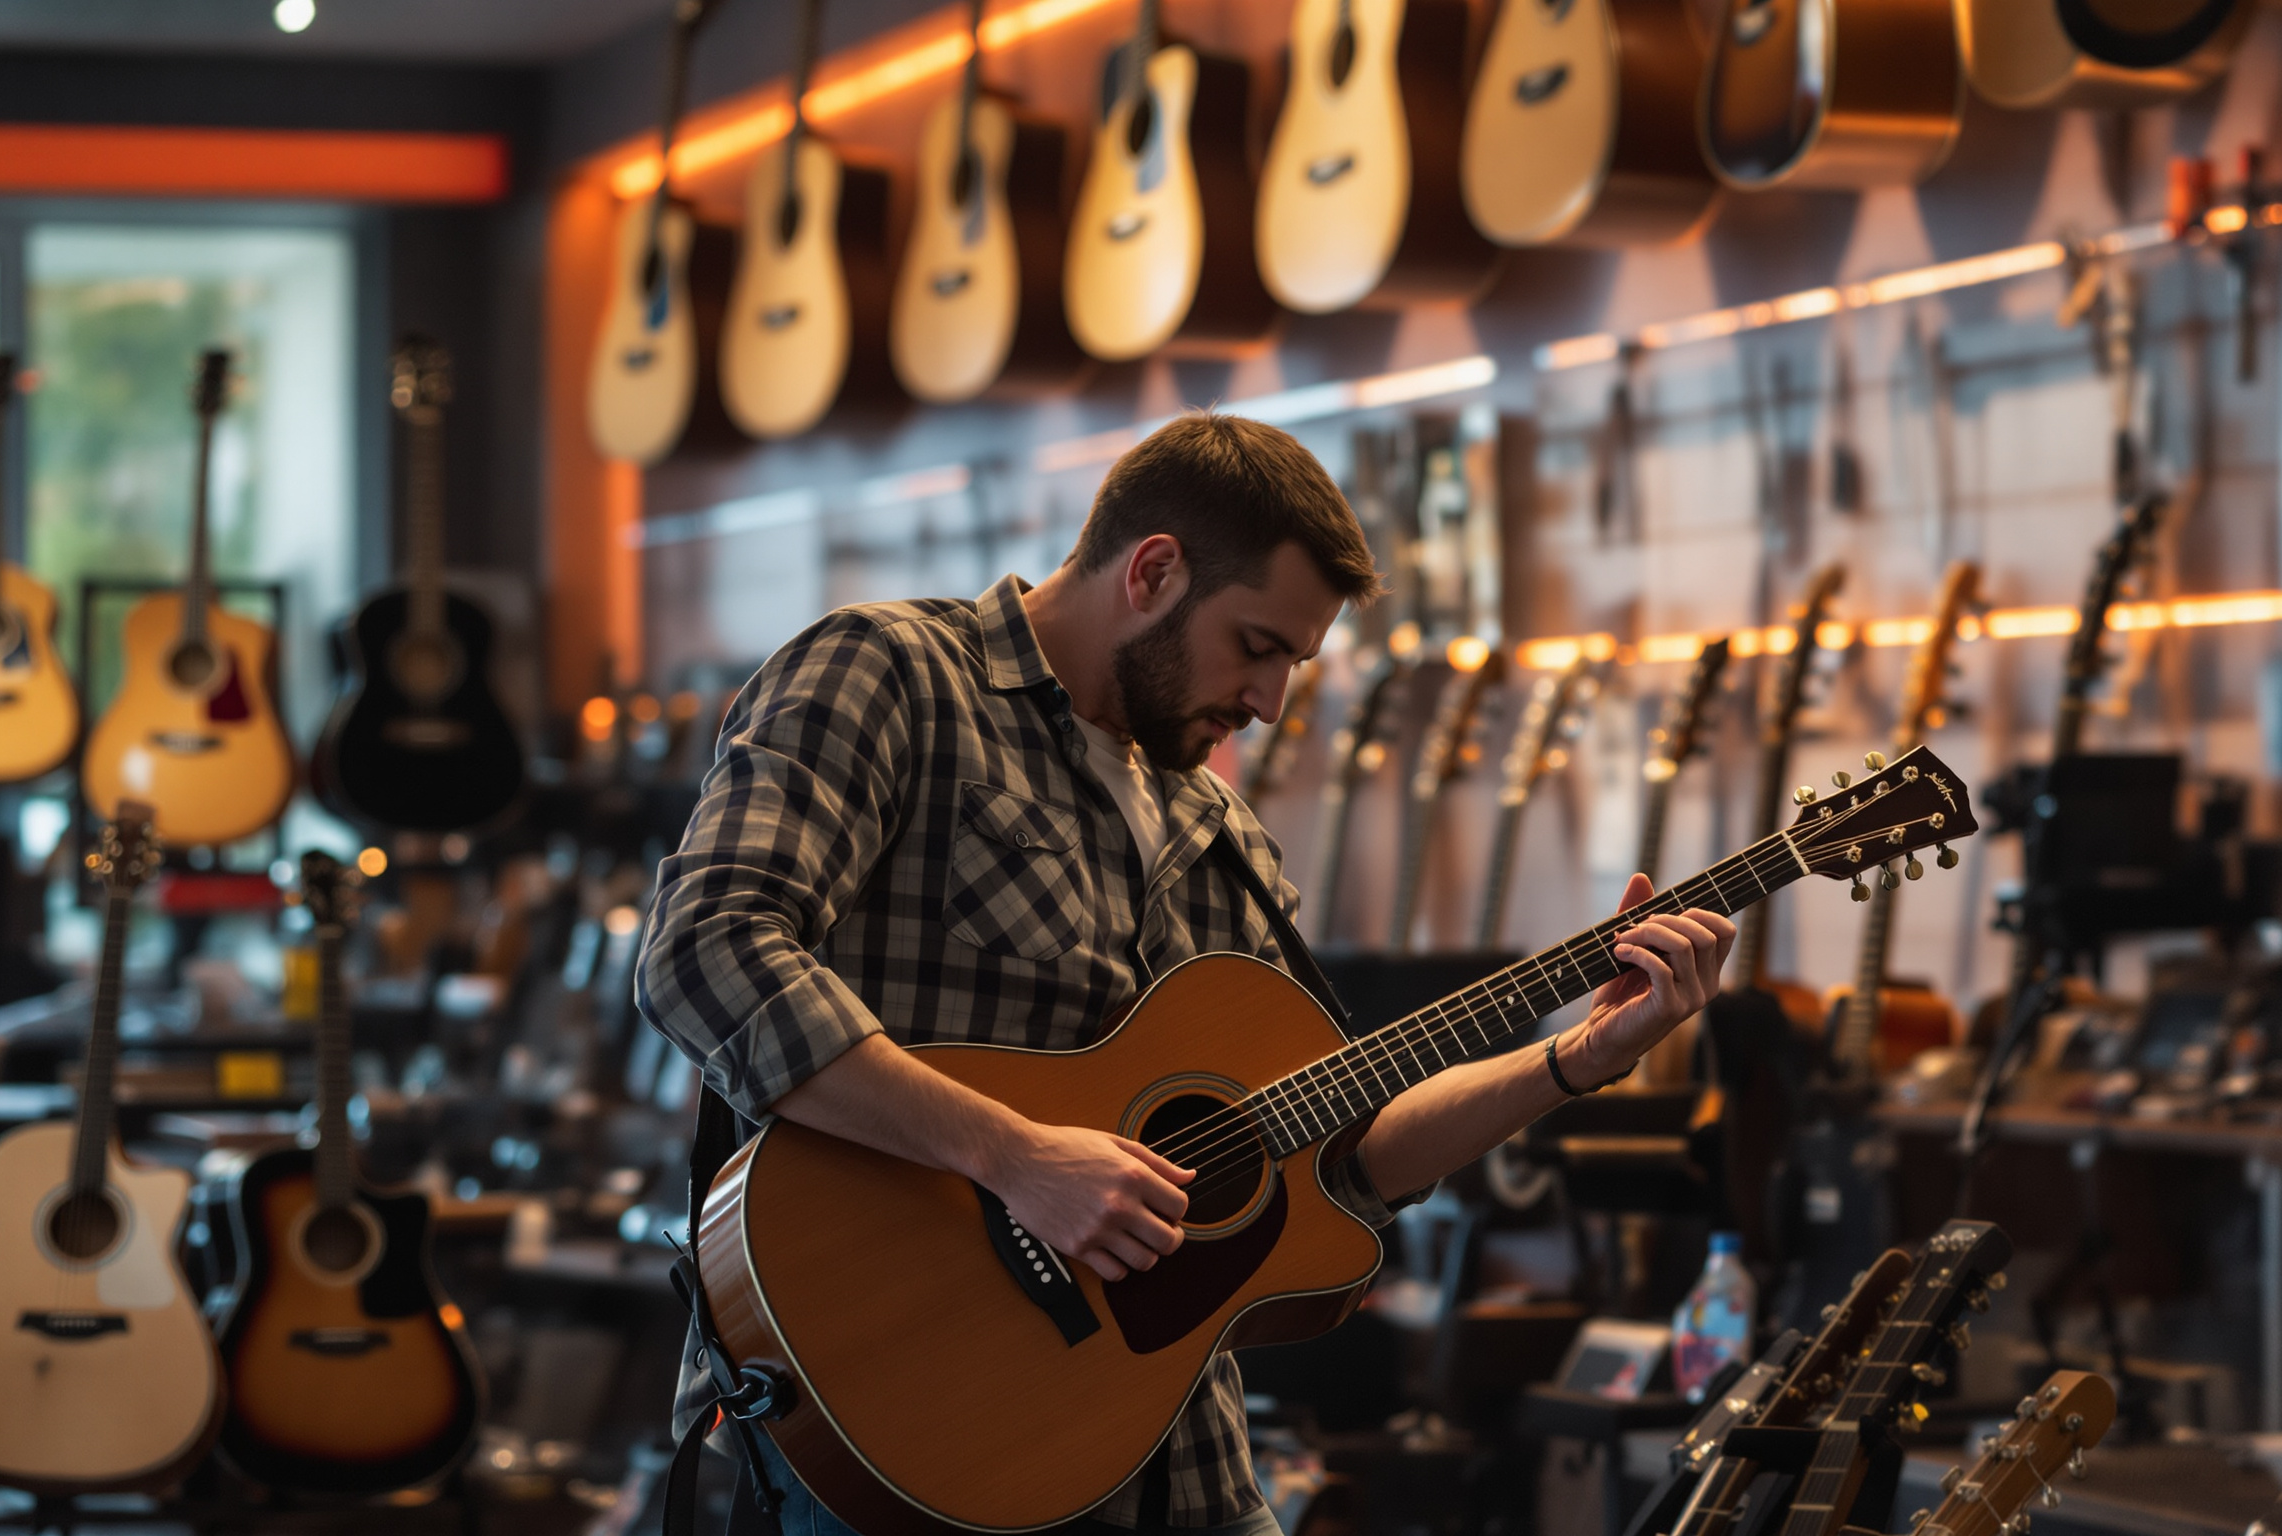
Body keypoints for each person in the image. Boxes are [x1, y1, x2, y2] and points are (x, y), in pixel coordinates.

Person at [639, 413, 1737, 1535]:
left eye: (1293, 666)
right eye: (1258, 646)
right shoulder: (897, 675)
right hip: (904, 1434)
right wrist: (1017, 1158)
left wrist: (1571, 1060)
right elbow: (706, 948)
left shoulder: (1222, 835)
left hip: (1182, 1463)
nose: (1268, 704)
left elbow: (1338, 1158)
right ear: (1153, 570)